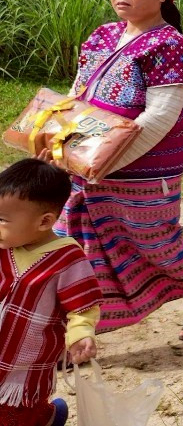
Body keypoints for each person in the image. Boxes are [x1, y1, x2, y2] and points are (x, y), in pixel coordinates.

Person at [56, 0, 183, 341]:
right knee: (75, 244)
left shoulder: (169, 45)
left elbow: (159, 118)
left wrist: (105, 159)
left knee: (156, 244)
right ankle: (77, 331)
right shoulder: (102, 36)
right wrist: (64, 142)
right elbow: (76, 95)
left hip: (143, 170)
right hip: (85, 162)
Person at [0, 160, 101, 426]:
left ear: (44, 221)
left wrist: (80, 334)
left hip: (24, 363)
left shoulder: (67, 258)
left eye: (2, 220)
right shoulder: (5, 243)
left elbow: (82, 305)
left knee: (15, 413)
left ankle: (46, 417)